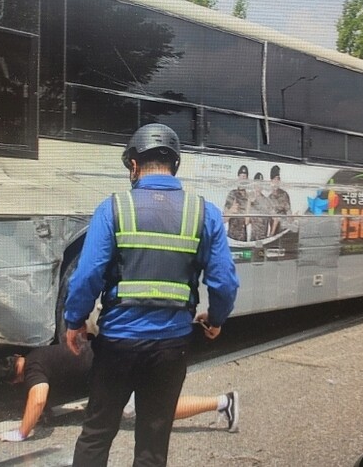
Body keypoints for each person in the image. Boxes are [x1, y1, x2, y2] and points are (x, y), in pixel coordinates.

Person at [64, 123, 240, 467]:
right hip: (170, 348)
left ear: (134, 165)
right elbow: (225, 282)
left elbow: (87, 275)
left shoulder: (113, 208)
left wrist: (75, 321)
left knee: (97, 433)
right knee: (152, 442)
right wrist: (216, 320)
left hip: (116, 345)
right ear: (175, 164)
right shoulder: (204, 213)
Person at [0, 342, 238, 442]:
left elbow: (37, 398)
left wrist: (22, 432)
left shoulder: (33, 372)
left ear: (16, 380)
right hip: (114, 357)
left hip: (114, 371)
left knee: (156, 409)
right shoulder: (38, 356)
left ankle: (224, 403)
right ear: (18, 357)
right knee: (156, 404)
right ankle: (223, 403)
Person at [222, 165, 250, 241]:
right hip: (232, 238)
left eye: (245, 177)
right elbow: (224, 220)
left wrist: (249, 203)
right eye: (241, 177)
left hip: (243, 238)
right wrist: (231, 210)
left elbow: (247, 222)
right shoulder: (232, 194)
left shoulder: (249, 197)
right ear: (238, 178)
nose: (242, 179)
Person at [267, 165, 291, 236]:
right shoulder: (269, 198)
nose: (276, 181)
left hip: (284, 229)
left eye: (278, 179)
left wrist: (290, 220)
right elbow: (273, 217)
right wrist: (271, 234)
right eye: (274, 179)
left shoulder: (284, 194)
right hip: (274, 231)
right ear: (271, 181)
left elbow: (288, 211)